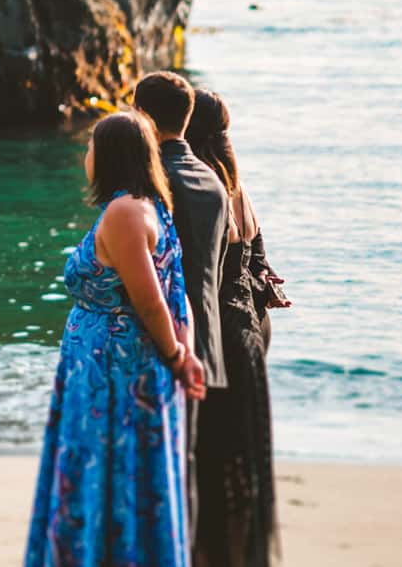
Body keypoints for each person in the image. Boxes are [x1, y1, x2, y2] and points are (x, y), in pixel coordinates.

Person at [24, 110, 206, 567]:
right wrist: (181, 352)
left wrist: (177, 354)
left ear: (108, 156)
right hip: (113, 368)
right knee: (124, 474)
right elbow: (173, 290)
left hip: (114, 374)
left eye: (89, 148)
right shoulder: (150, 206)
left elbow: (150, 301)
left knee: (106, 472)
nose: (85, 156)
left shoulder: (124, 212)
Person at [187, 89, 280, 566]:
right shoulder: (238, 188)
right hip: (252, 336)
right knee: (242, 463)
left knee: (212, 462)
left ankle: (212, 554)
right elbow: (258, 265)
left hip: (220, 338)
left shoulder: (201, 192)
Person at [135, 69, 230, 525]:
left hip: (160, 344)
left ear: (142, 116)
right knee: (188, 467)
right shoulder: (214, 182)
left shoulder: (150, 188)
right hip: (207, 343)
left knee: (156, 472)